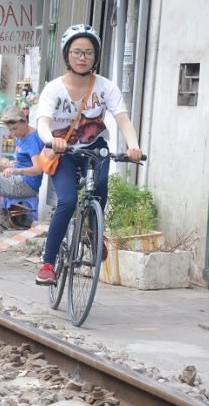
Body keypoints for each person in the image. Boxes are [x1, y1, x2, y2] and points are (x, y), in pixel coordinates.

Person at [35, 24, 143, 285]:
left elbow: (123, 121)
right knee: (68, 201)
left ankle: (95, 230)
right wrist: (52, 140)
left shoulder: (106, 87)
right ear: (67, 55)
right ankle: (48, 263)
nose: (82, 57)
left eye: (89, 53)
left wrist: (133, 145)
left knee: (102, 184)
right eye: (77, 52)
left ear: (96, 56)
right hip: (64, 151)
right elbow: (43, 123)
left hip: (95, 148)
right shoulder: (53, 89)